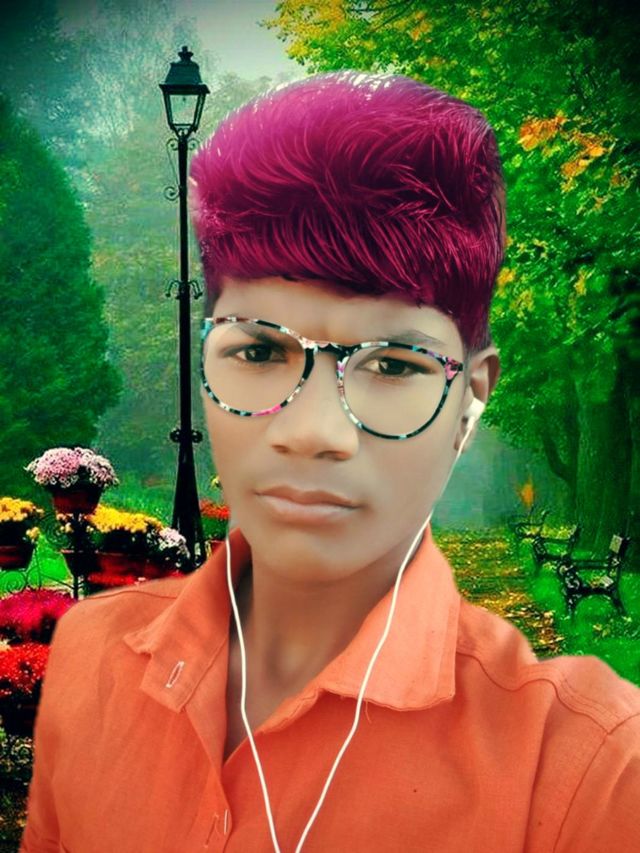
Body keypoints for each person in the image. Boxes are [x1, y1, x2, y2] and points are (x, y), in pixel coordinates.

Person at [21, 71, 639, 853]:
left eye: (393, 365)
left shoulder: (587, 773)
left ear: (470, 401)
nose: (313, 431)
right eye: (258, 351)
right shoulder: (90, 661)